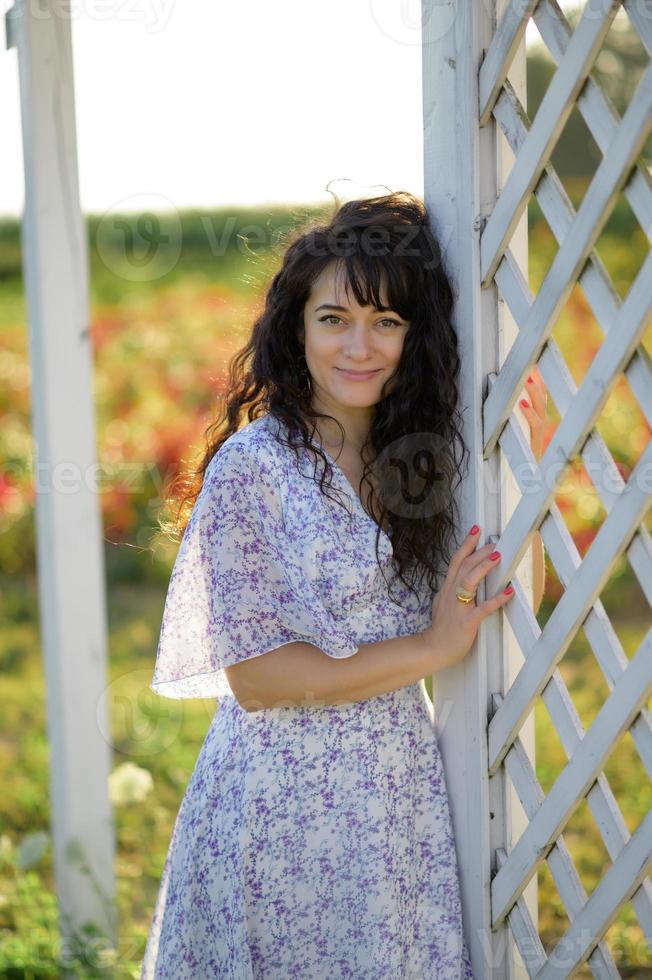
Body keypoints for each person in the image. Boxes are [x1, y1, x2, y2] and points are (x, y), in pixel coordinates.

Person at [140, 191, 518, 979]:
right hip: (279, 803)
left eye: (387, 321)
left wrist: (517, 445)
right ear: (295, 326)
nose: (361, 346)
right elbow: (257, 677)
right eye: (334, 319)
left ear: (417, 335)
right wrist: (430, 647)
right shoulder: (254, 469)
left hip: (396, 800)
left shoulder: (424, 454)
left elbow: (516, 587)